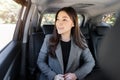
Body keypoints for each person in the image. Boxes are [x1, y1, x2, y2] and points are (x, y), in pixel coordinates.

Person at [37, 7, 95, 80]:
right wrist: (53, 76)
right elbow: (40, 61)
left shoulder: (80, 41)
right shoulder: (48, 39)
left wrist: (76, 75)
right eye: (57, 19)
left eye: (64, 19)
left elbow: (90, 62)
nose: (59, 23)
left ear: (73, 23)